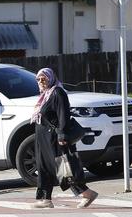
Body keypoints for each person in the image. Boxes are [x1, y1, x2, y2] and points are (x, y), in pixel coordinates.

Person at [30, 68, 98, 209]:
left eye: (44, 78)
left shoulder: (57, 92)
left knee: (64, 168)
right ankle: (45, 199)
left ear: (51, 78)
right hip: (43, 137)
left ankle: (87, 193)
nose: (41, 82)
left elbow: (63, 115)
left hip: (55, 137)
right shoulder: (45, 95)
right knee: (43, 167)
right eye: (38, 79)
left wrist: (62, 135)